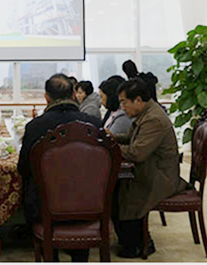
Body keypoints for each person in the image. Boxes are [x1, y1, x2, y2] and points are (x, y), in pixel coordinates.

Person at [18, 73, 102, 262]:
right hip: (90, 205)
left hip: (44, 209)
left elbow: (23, 168)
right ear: (73, 94)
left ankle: (51, 258)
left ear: (46, 97)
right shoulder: (94, 124)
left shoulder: (35, 127)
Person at [111, 78, 188, 258]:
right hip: (153, 170)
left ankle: (138, 244)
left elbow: (136, 153)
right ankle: (131, 239)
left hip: (160, 177)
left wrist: (111, 147)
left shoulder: (153, 119)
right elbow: (132, 139)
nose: (122, 107)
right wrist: (112, 137)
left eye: (124, 102)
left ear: (138, 100)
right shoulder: (147, 113)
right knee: (115, 188)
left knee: (120, 191)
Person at [99, 77, 132, 142]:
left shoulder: (123, 117)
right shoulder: (112, 112)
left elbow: (109, 142)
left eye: (102, 97)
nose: (100, 101)